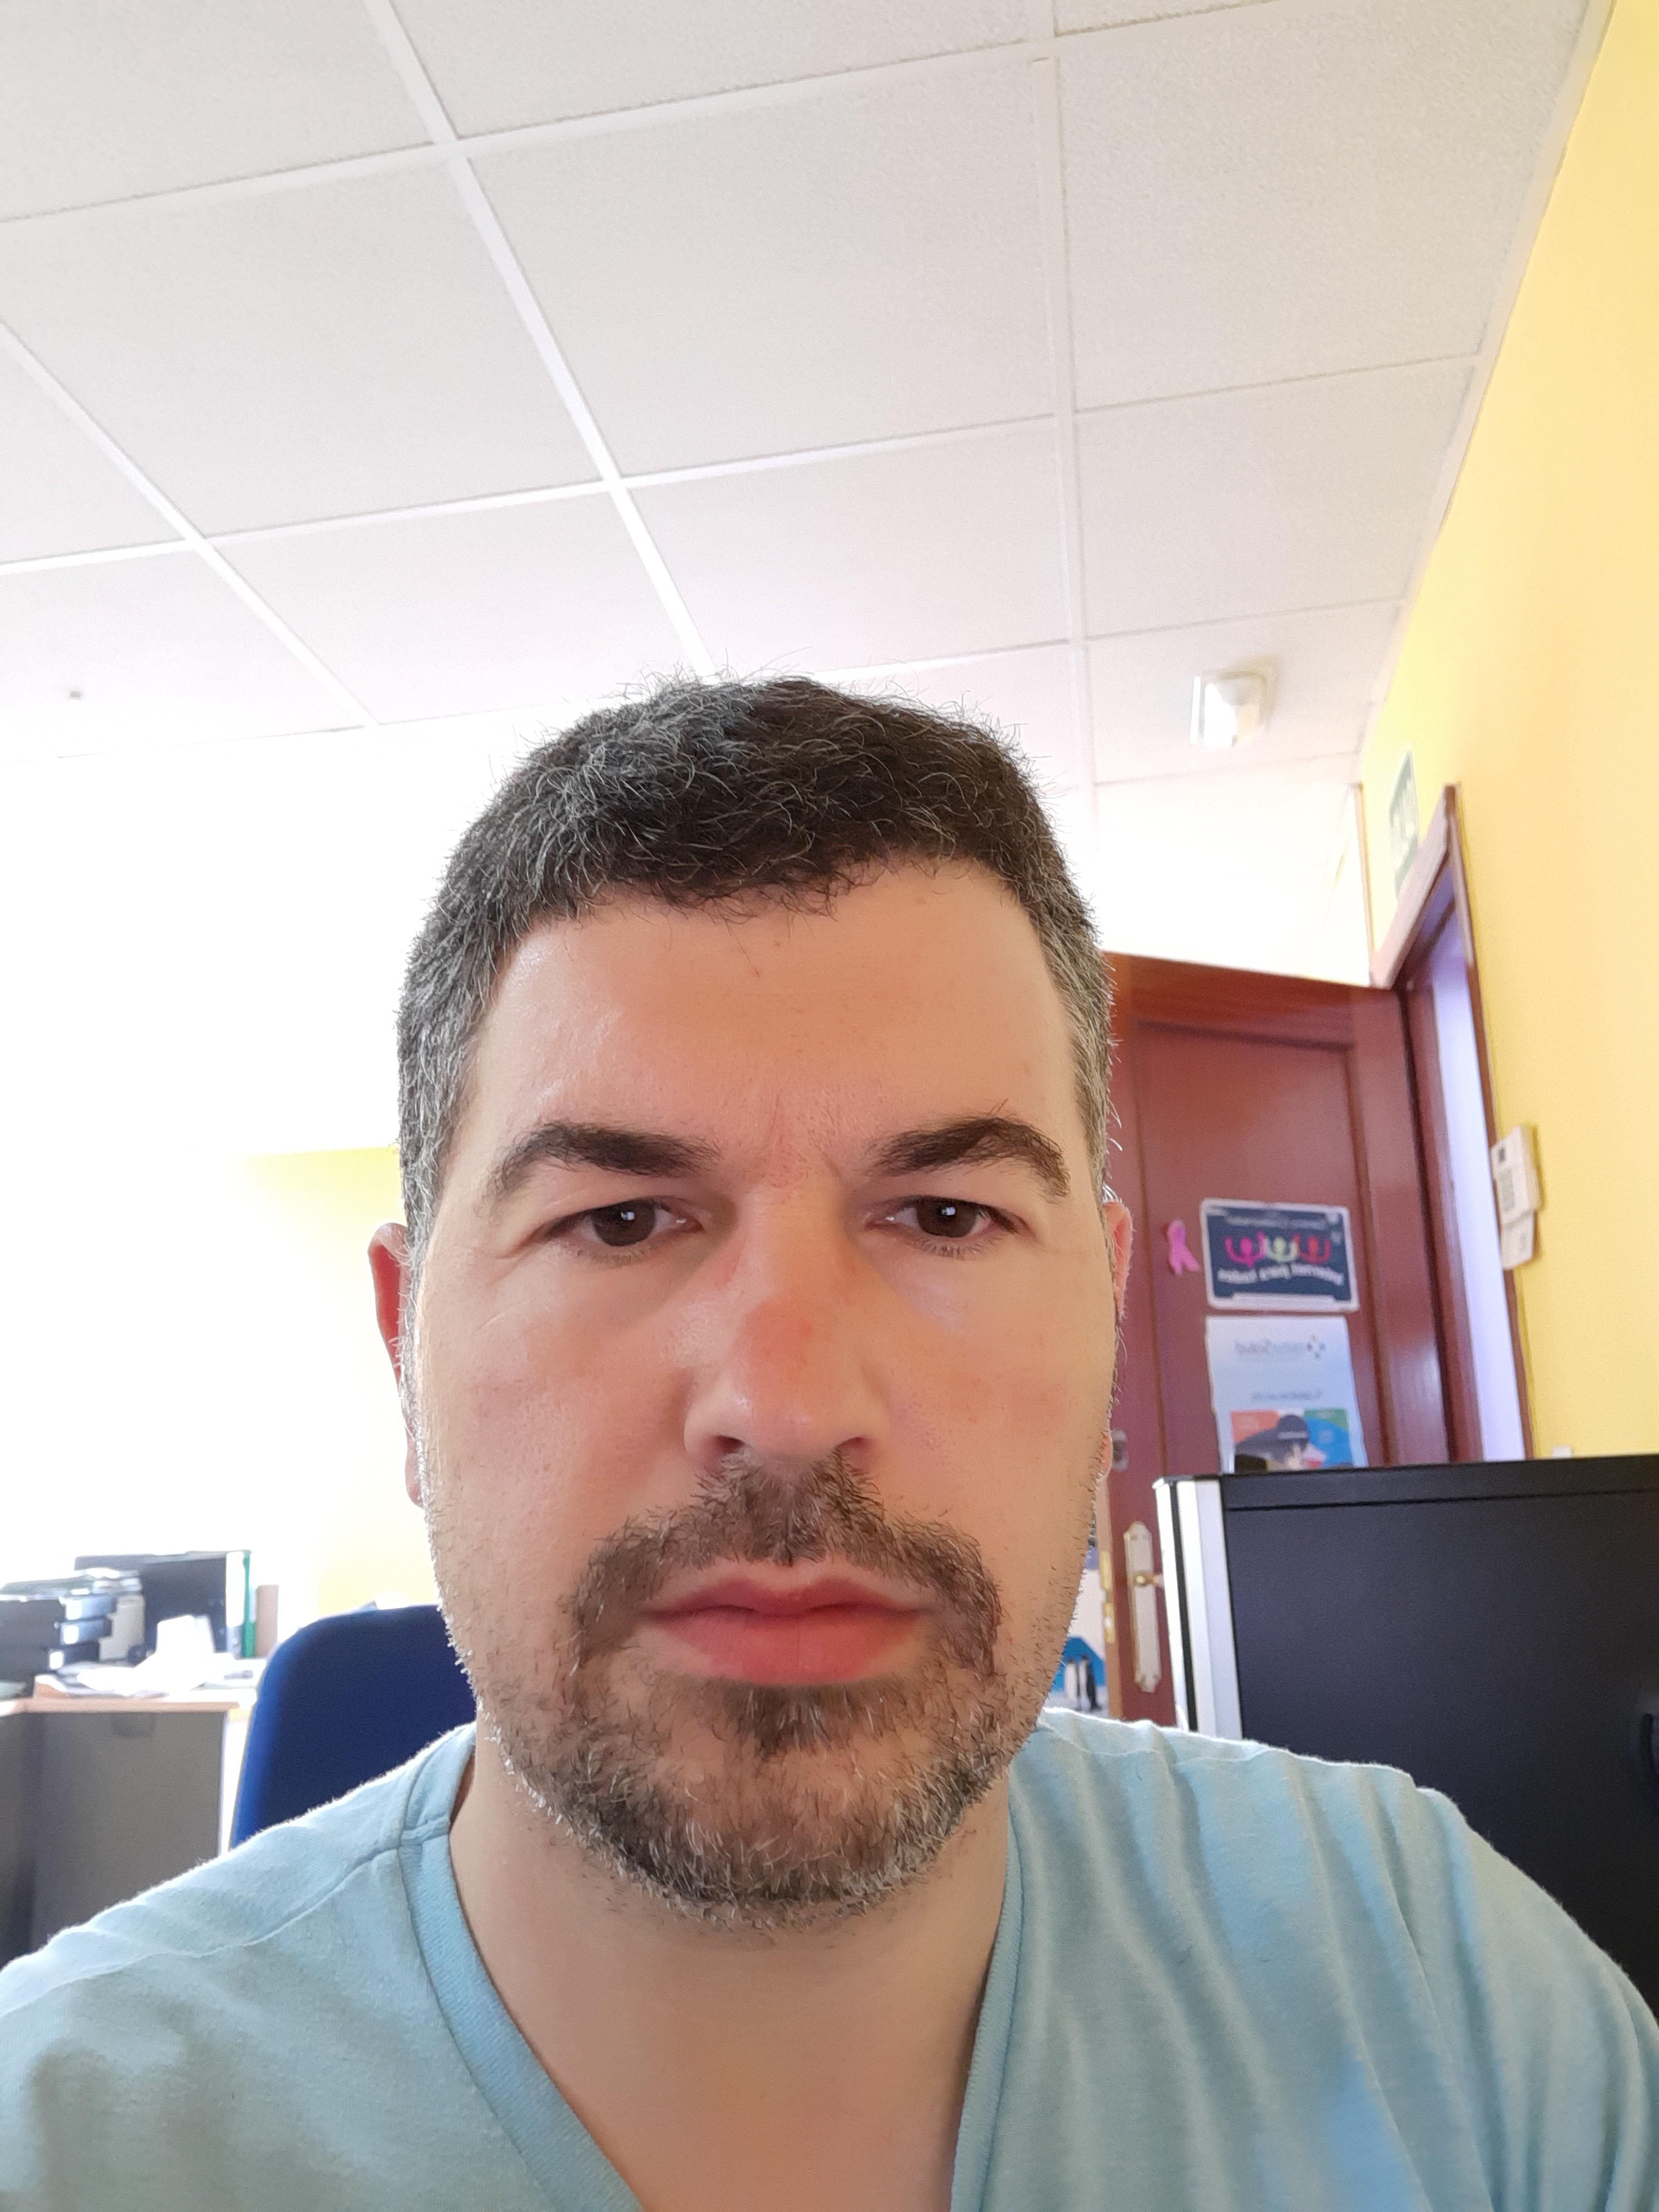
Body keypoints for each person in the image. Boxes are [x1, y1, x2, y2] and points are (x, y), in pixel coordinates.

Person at [2, 678, 1655, 2210]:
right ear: (402, 1353)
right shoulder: (61, 2139)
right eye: (621, 1219)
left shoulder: (1446, 2004)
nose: (787, 1404)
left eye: (944, 1214)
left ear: (1104, 1316)